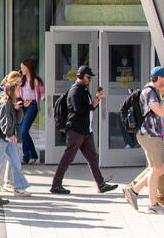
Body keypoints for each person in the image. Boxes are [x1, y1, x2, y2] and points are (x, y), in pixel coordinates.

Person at [50, 65, 117, 195]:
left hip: (86, 130)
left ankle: (101, 184)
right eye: (88, 77)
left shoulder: (84, 89)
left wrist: (96, 101)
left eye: (90, 77)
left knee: (92, 157)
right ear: (80, 76)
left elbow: (88, 109)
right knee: (68, 158)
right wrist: (92, 105)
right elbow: (78, 109)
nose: (90, 79)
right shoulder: (75, 90)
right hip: (76, 130)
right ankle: (56, 185)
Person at [123, 66, 164, 215]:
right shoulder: (149, 92)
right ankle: (152, 204)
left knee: (161, 167)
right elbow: (160, 111)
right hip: (149, 135)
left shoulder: (153, 92)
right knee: (155, 169)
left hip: (155, 135)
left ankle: (133, 190)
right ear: (159, 78)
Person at [0, 81, 32, 198]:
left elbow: (18, 120)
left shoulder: (11, 103)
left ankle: (19, 187)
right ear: (12, 91)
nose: (20, 91)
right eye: (18, 89)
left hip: (8, 138)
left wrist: (19, 108)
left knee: (15, 162)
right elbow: (4, 121)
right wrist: (10, 134)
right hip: (2, 137)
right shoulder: (4, 103)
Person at [18, 58, 45, 164]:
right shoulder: (21, 80)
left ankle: (32, 154)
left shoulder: (36, 80)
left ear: (28, 68)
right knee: (23, 132)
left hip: (32, 105)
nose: (22, 70)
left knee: (24, 130)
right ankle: (26, 156)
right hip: (23, 105)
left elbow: (42, 92)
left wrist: (43, 98)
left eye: (23, 68)